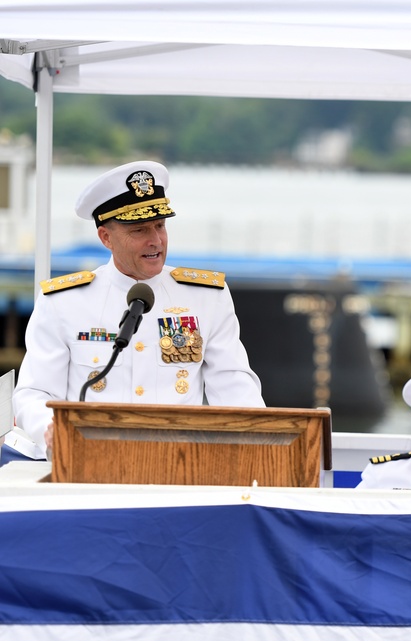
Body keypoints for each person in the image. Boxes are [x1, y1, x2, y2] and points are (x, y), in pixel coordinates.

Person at [12, 160, 264, 459]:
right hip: (90, 460)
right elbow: (34, 392)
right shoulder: (63, 302)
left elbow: (235, 387)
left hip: (182, 464)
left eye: (160, 226)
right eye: (140, 229)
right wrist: (51, 430)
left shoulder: (207, 297)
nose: (155, 240)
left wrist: (258, 442)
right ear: (106, 237)